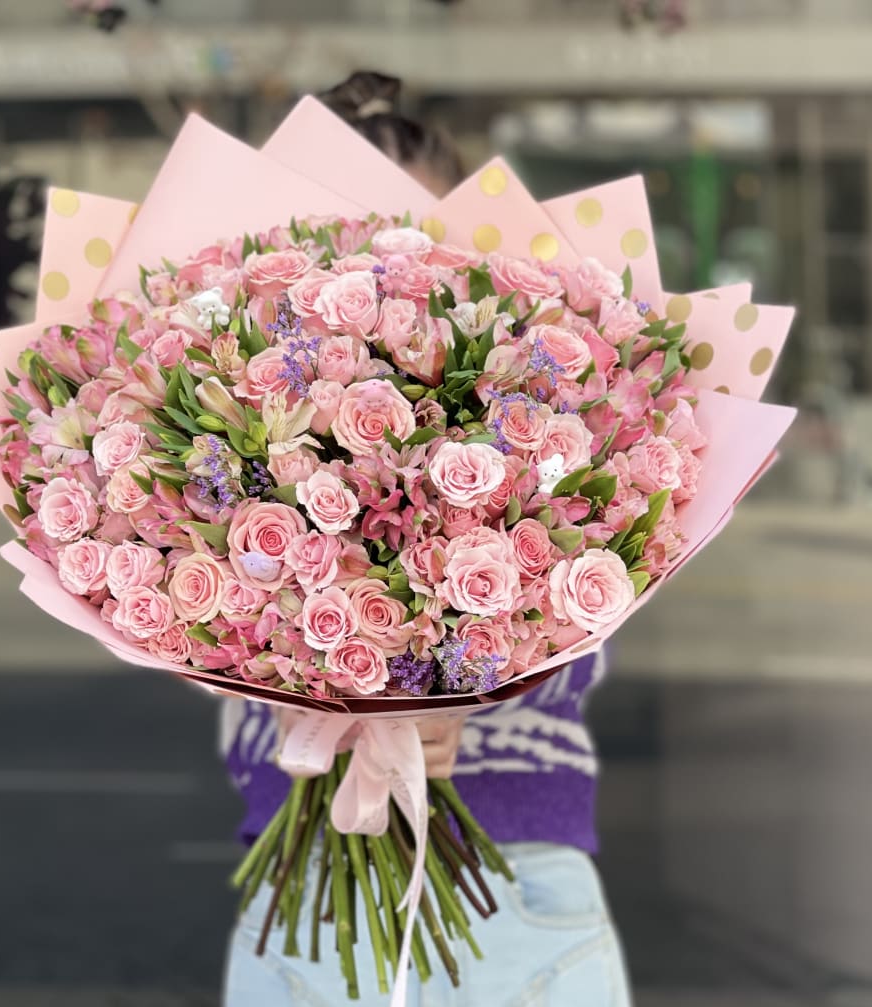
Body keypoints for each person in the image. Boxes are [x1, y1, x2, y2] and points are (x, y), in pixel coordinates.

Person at [220, 71, 632, 1007]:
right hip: (314, 891)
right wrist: (323, 702)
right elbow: (200, 635)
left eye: (411, 238)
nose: (376, 271)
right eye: (342, 234)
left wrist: (460, 694)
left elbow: (596, 596)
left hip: (516, 877)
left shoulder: (533, 389)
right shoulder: (250, 410)